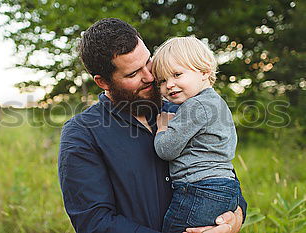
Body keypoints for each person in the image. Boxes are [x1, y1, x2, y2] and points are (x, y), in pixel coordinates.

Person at [58, 18, 247, 233]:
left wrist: (233, 221)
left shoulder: (182, 107)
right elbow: (94, 222)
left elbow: (219, 171)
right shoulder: (82, 133)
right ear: (103, 82)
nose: (150, 77)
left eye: (148, 61)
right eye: (133, 74)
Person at [151, 36, 242, 233]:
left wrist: (163, 127)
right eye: (163, 80)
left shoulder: (195, 105)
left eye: (177, 74)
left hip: (199, 188)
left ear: (204, 72)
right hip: (225, 186)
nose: (169, 85)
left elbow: (166, 149)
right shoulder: (217, 103)